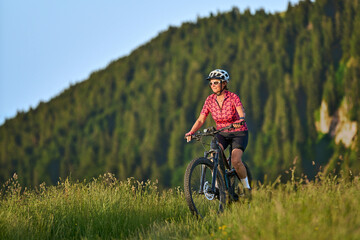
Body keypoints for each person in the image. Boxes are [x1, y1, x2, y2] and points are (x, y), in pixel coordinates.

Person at [185, 69, 251, 198]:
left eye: (215, 83)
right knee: (214, 155)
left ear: (224, 83)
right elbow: (201, 119)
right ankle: (219, 187)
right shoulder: (209, 100)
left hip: (238, 132)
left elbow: (241, 111)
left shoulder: (233, 97)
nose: (212, 86)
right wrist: (191, 132)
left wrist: (241, 119)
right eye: (211, 83)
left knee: (236, 160)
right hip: (222, 132)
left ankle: (247, 188)